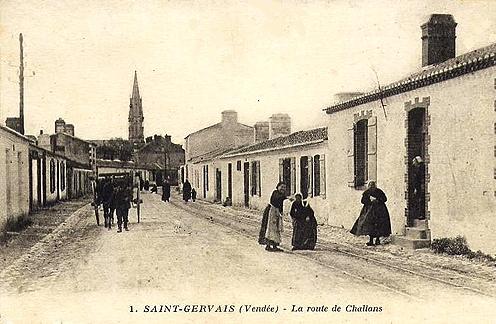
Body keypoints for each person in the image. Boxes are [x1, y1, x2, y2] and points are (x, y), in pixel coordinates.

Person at [350, 181, 391, 246]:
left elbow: (384, 199)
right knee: (370, 226)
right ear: (368, 186)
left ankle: (377, 240)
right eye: (370, 185)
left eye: (373, 185)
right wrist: (369, 201)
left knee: (379, 225)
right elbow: (363, 201)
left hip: (379, 211)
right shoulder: (366, 192)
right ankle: (371, 240)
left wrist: (377, 200)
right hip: (369, 212)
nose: (372, 187)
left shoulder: (379, 191)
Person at [264, 182, 287, 252]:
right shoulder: (275, 193)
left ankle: (274, 246)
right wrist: (286, 197)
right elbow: (277, 199)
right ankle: (268, 245)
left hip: (276, 212)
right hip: (272, 212)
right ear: (278, 187)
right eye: (281, 187)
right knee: (271, 229)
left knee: (276, 229)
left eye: (284, 187)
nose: (283, 188)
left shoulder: (281, 194)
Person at [410, 156, 426, 221]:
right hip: (418, 188)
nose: (413, 164)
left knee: (421, 201)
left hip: (420, 188)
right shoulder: (418, 168)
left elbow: (421, 179)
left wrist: (419, 188)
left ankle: (421, 214)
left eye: (414, 162)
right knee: (418, 201)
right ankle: (418, 214)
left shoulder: (421, 168)